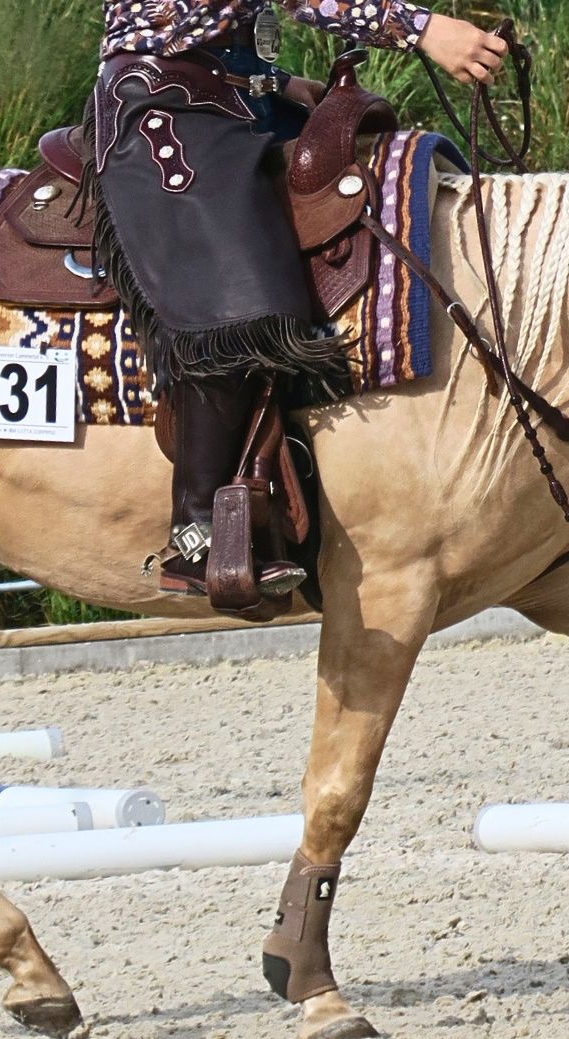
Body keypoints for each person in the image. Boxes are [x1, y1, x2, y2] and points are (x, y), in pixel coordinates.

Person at [93, 2, 507, 606]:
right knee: (241, 308)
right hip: (166, 103)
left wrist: (279, 81)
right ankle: (198, 532)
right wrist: (423, 29)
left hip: (237, 89)